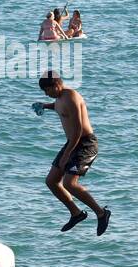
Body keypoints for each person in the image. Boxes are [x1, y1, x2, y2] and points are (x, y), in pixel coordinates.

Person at [33, 71, 111, 235]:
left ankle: (101, 213)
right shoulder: (59, 98)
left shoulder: (72, 96)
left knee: (70, 183)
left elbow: (77, 130)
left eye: (47, 91)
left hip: (85, 144)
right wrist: (44, 106)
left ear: (56, 85)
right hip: (72, 143)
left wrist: (67, 154)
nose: (47, 94)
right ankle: (76, 213)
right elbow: (59, 107)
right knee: (52, 181)